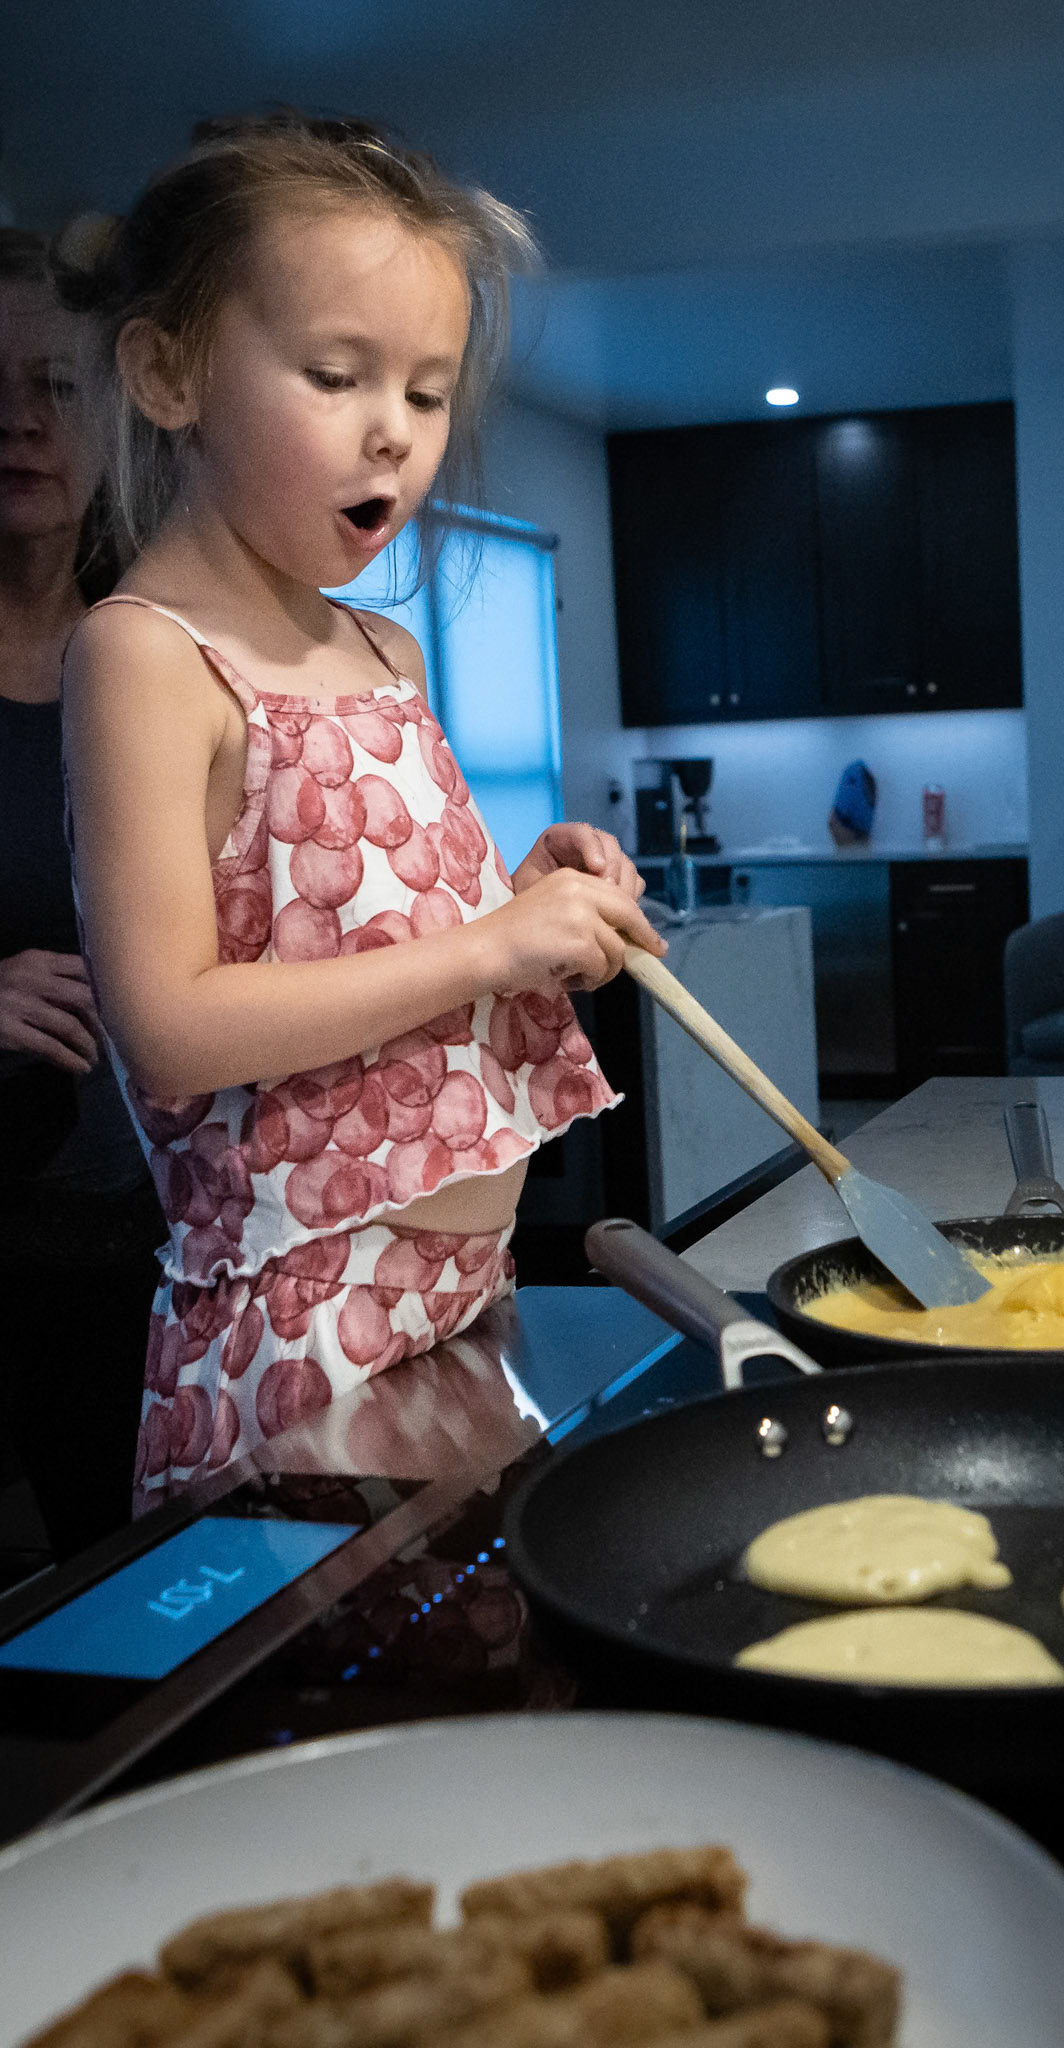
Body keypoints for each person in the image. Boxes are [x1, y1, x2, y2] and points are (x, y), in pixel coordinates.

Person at [58, 113, 664, 1510]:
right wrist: (487, 953)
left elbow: (361, 935)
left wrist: (520, 901)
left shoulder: (380, 651)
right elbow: (173, 1022)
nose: (393, 426)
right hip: (298, 1329)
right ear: (168, 371)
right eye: (336, 374)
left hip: (463, 1298)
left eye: (430, 391)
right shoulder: (147, 653)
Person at [0, 229, 163, 1555]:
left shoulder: (160, 643)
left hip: (151, 1244)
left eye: (54, 386)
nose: (20, 423)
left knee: (143, 1598)